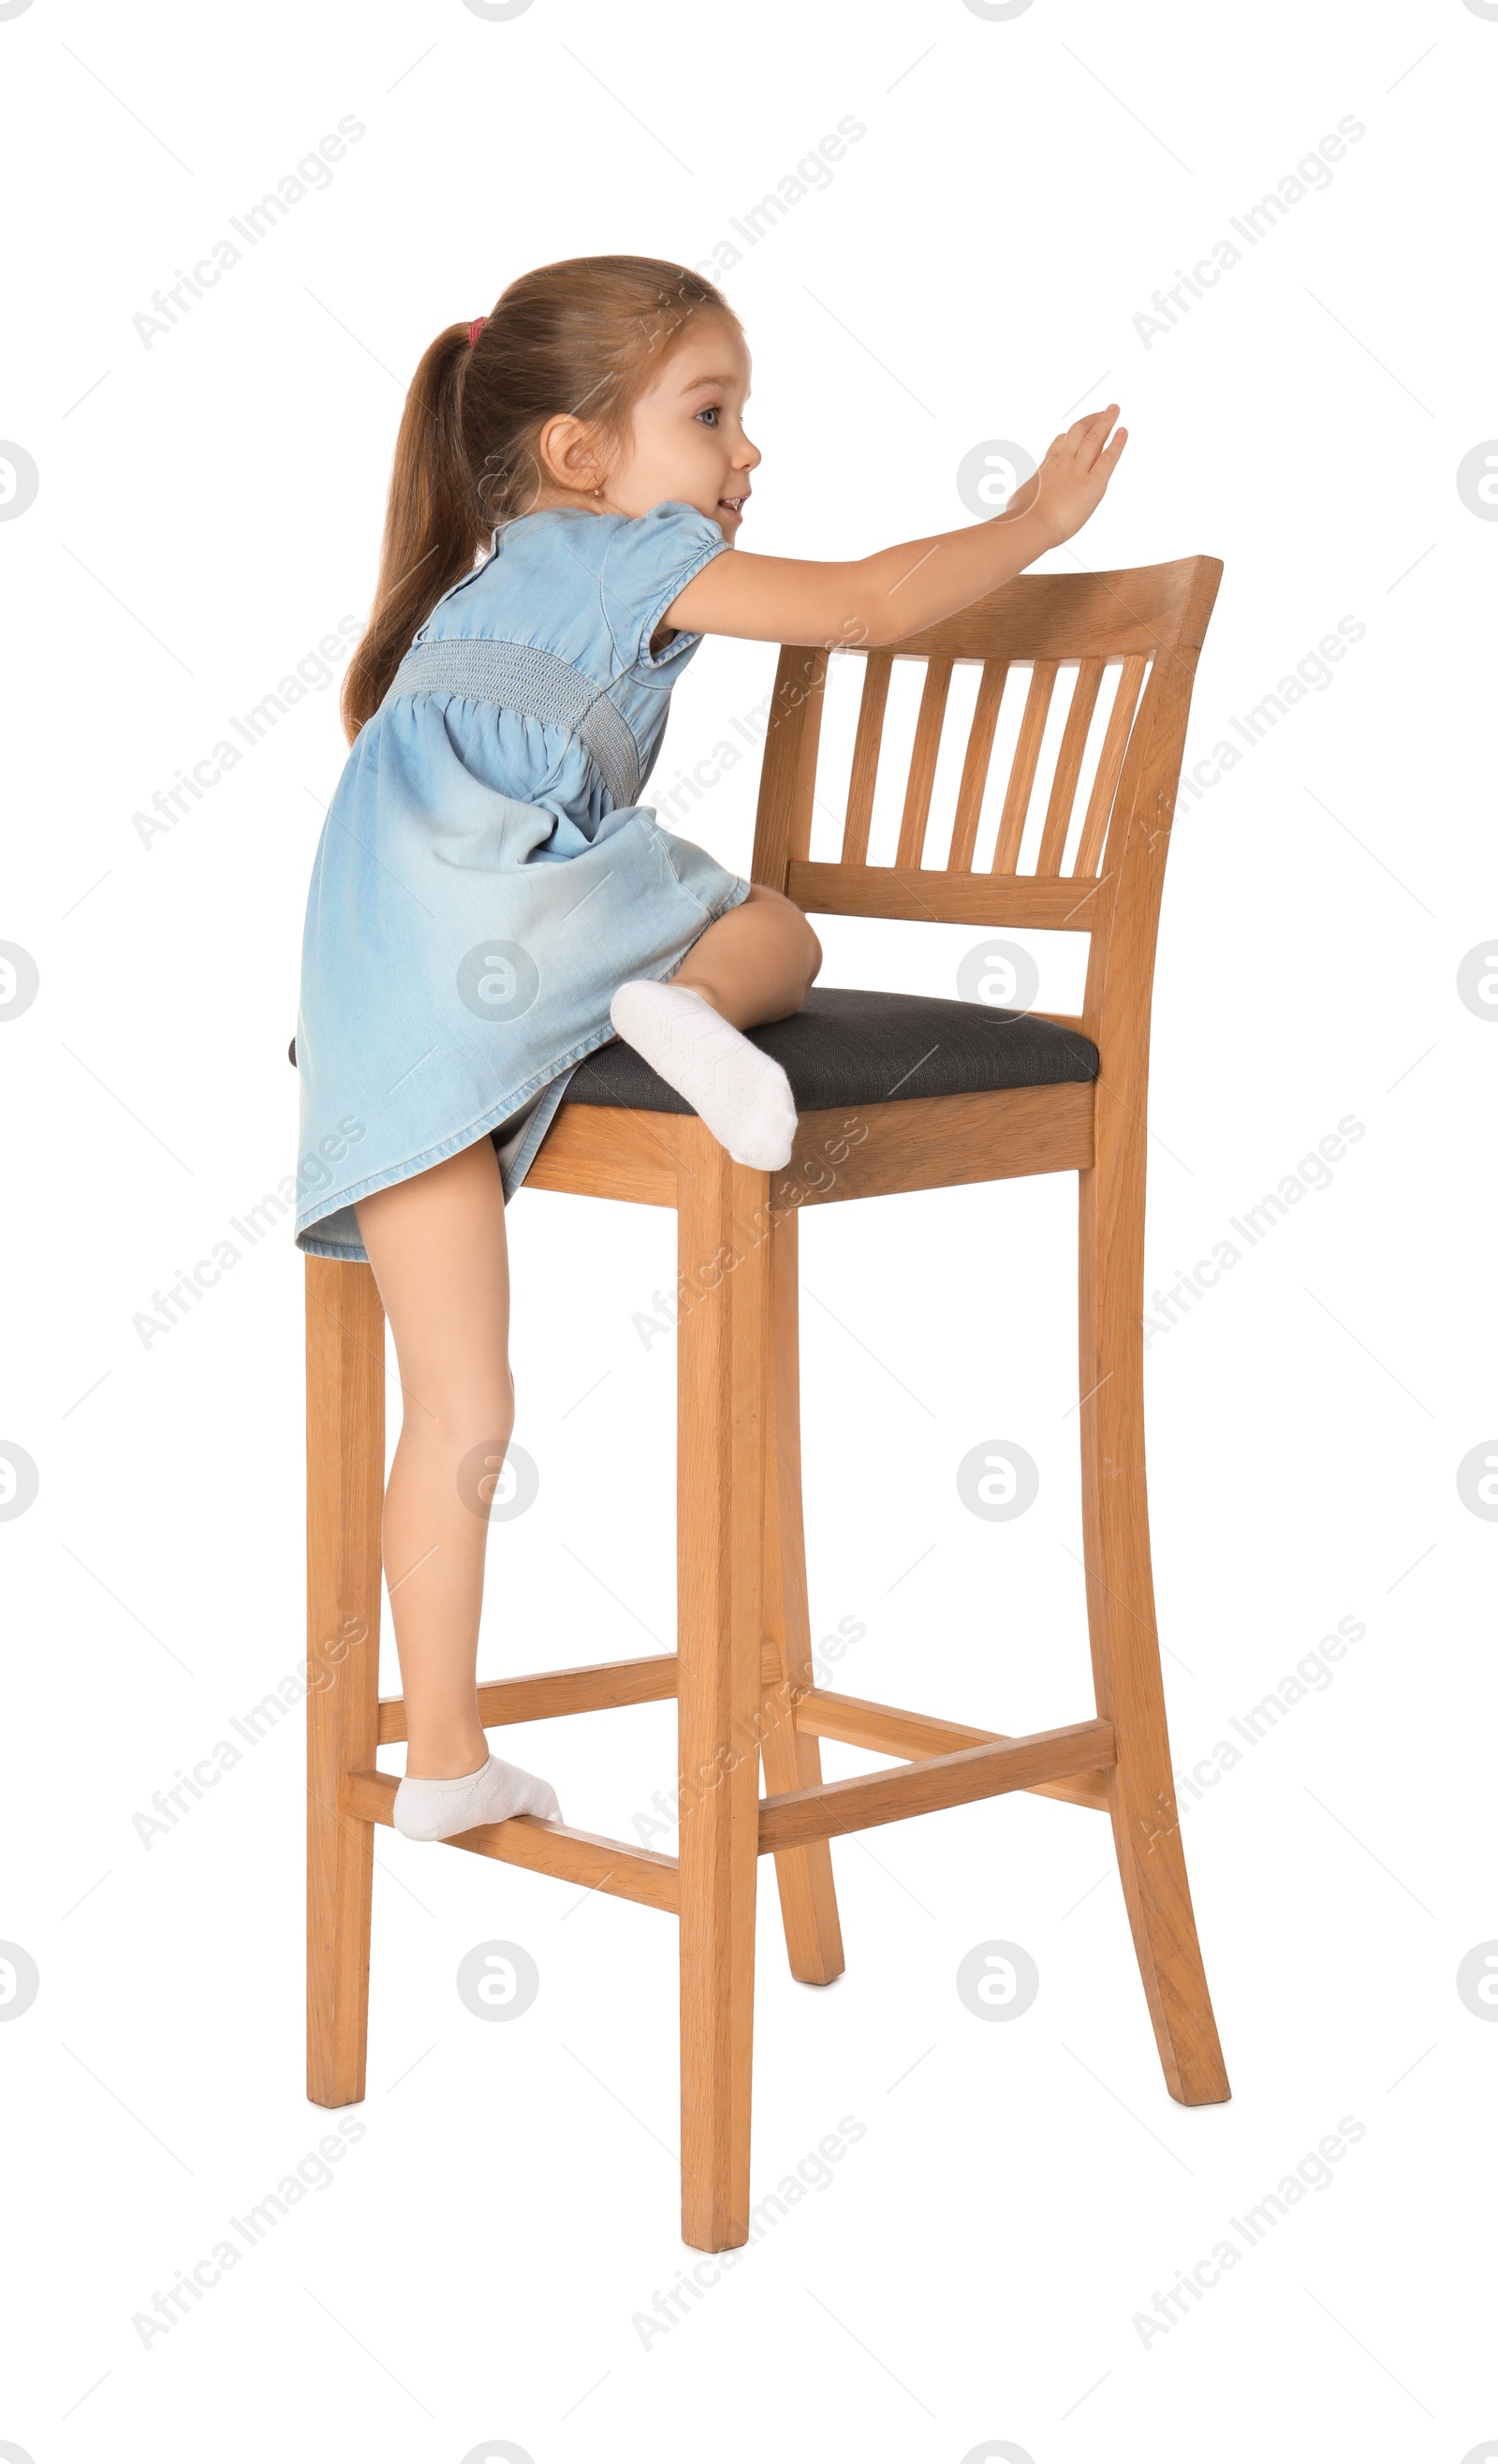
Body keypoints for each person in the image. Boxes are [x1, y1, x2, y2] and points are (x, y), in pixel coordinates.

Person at [293, 253, 1126, 1843]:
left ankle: (449, 1758)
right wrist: (1030, 528)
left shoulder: (473, 585)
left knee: (462, 1410)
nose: (745, 457)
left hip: (375, 1001)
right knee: (779, 922)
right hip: (520, 944)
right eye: (713, 414)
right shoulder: (623, 550)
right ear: (580, 455)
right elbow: (869, 605)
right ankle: (689, 1005)